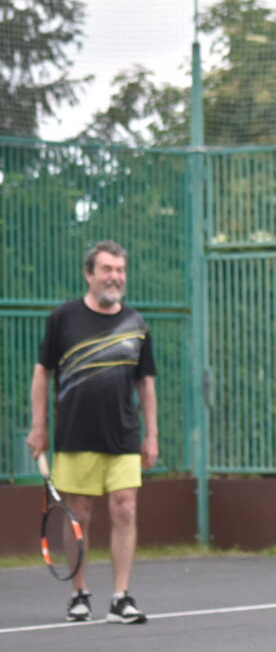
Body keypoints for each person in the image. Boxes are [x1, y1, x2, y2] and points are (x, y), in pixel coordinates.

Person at [26, 240, 158, 625]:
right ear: (89, 274)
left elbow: (146, 383)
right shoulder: (63, 318)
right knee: (78, 514)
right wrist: (39, 427)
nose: (115, 277)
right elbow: (42, 373)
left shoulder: (136, 324)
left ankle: (121, 598)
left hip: (124, 436)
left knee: (125, 508)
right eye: (107, 269)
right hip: (75, 435)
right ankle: (79, 594)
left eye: (120, 270)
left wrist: (151, 435)